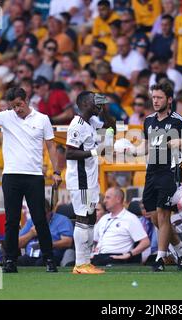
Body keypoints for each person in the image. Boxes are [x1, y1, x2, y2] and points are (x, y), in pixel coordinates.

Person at [0, 87, 63, 273]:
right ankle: (10, 260)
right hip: (11, 175)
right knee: (11, 220)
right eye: (13, 106)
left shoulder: (42, 119)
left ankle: (49, 259)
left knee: (40, 219)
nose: (17, 109)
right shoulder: (6, 116)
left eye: (19, 105)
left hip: (34, 176)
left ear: (26, 100)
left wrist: (57, 171)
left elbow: (51, 147)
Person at [131, 82, 182, 272]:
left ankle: (160, 258)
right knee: (155, 217)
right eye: (154, 97)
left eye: (159, 97)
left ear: (169, 100)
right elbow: (145, 146)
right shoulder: (149, 120)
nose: (155, 101)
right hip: (152, 172)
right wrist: (132, 151)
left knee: (164, 214)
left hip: (170, 171)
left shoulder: (179, 121)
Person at [65, 91, 115, 274]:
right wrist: (95, 152)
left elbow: (111, 126)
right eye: (95, 101)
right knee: (83, 217)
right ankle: (80, 264)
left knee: (91, 217)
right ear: (85, 103)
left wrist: (105, 109)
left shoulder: (92, 122)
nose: (98, 104)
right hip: (81, 179)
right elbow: (69, 153)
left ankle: (86, 262)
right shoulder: (77, 125)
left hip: (90, 177)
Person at [92, 188, 150, 266]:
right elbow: (94, 240)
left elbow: (145, 242)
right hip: (99, 256)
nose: (104, 201)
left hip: (117, 257)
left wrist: (129, 254)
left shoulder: (130, 218)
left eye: (108, 197)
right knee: (74, 264)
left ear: (118, 199)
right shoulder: (104, 218)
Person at [18, 199, 74, 267]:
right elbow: (18, 244)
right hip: (30, 255)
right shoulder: (31, 221)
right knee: (17, 262)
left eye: (43, 214)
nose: (40, 217)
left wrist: (48, 245)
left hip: (50, 255)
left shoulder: (62, 220)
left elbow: (68, 242)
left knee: (40, 264)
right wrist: (31, 233)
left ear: (50, 212)